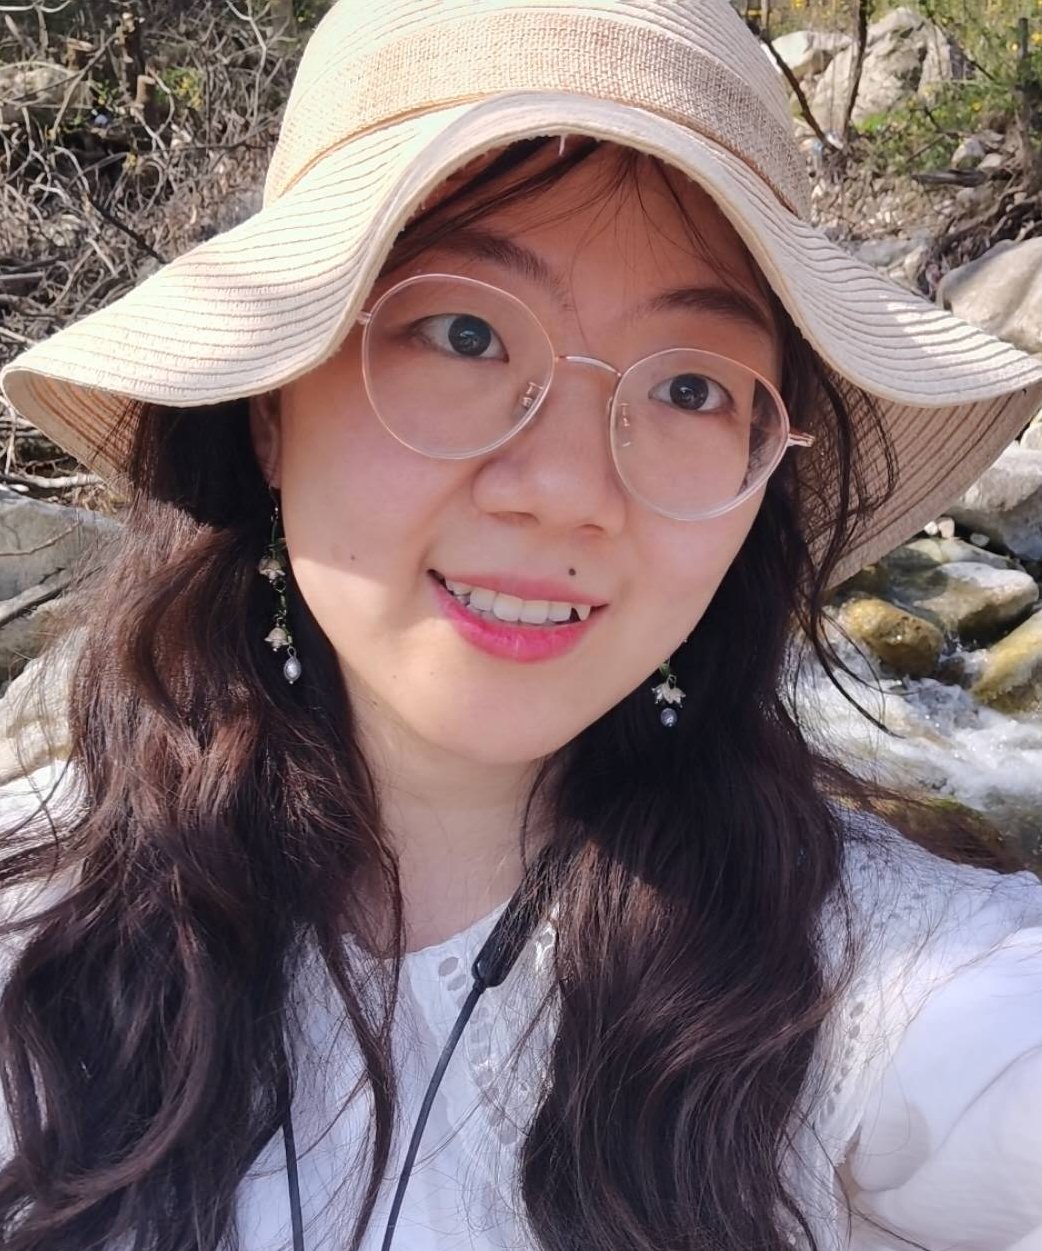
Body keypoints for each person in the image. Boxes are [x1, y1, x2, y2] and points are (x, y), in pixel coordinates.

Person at [1, 2, 1041, 1249]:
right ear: (271, 408)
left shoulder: (892, 986)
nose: (564, 488)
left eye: (690, 386)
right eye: (465, 334)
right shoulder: (36, 930)